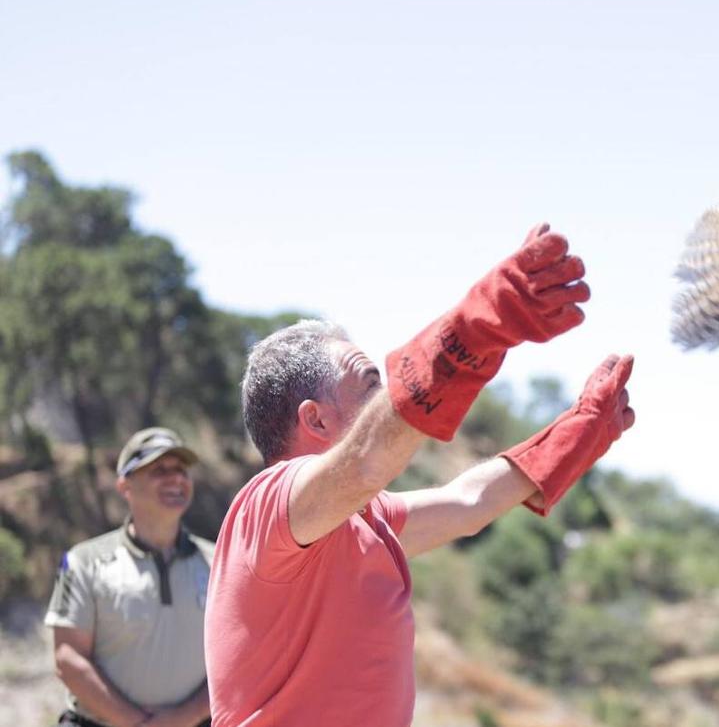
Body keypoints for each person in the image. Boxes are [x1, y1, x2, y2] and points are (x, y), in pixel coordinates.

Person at [204, 224, 635, 726]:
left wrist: (578, 433)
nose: (384, 399)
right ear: (315, 419)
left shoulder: (365, 519)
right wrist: (476, 327)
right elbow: (367, 459)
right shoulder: (269, 504)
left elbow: (470, 504)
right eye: (369, 384)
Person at [45, 427, 214, 727]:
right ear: (125, 487)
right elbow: (68, 658)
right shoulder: (84, 562)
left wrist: (181, 719)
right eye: (159, 470)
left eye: (181, 469)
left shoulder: (219, 562)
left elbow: (240, 657)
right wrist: (136, 723)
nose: (175, 478)